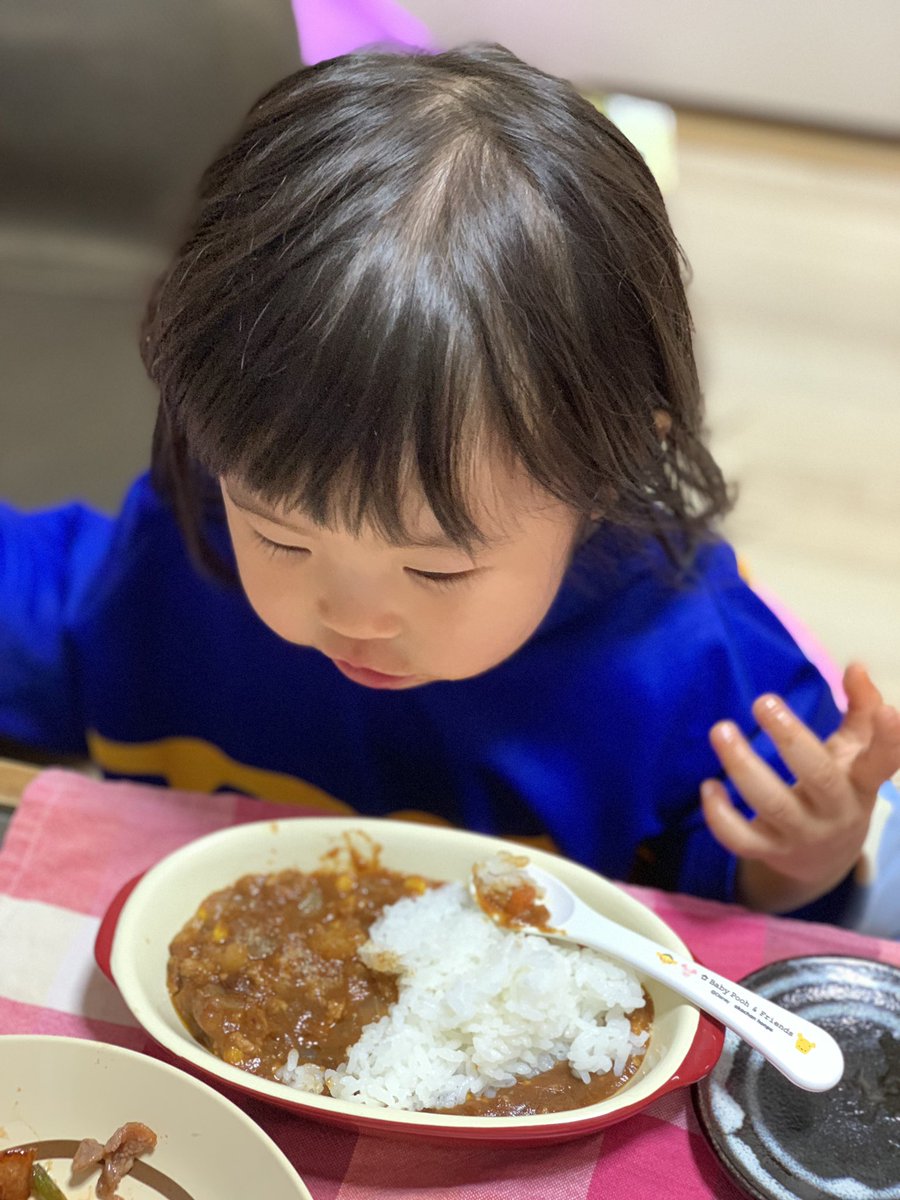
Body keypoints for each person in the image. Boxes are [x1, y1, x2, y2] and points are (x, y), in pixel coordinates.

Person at [2, 45, 898, 924]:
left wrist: (802, 857)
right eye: (280, 535)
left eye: (434, 570)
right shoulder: (180, 538)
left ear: (606, 470)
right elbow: (45, 608)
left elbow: (745, 923)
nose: (354, 616)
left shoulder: (700, 677)